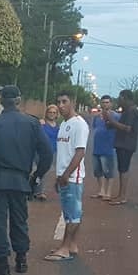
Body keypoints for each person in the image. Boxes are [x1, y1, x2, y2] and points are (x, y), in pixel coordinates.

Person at [0, 85, 54, 275]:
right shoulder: (32, 124)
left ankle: (2, 264)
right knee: (19, 220)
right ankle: (21, 260)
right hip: (21, 181)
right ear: (19, 101)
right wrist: (36, 176)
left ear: (0, 101)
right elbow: (47, 153)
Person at [45, 90, 90, 262]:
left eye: (64, 101)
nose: (61, 106)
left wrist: (65, 175)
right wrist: (59, 176)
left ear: (73, 101)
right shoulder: (63, 124)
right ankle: (72, 245)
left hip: (72, 178)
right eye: (59, 102)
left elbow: (80, 153)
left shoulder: (79, 125)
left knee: (73, 214)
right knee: (69, 212)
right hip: (63, 175)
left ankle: (64, 248)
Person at [107, 89, 138, 205]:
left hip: (127, 144)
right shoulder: (127, 111)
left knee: (124, 170)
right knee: (122, 169)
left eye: (120, 99)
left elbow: (127, 128)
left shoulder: (131, 111)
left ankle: (123, 196)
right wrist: (110, 124)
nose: (119, 101)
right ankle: (121, 195)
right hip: (122, 144)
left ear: (125, 98)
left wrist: (112, 121)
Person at [90, 95, 120, 200]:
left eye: (107, 102)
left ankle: (108, 192)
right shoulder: (97, 117)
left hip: (108, 149)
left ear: (111, 103)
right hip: (97, 148)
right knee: (97, 171)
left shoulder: (116, 116)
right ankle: (101, 190)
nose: (105, 104)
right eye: (103, 102)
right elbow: (95, 128)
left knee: (108, 171)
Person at [34, 104, 59, 201]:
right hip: (40, 152)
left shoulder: (58, 127)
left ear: (57, 114)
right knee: (39, 170)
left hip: (52, 152)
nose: (52, 114)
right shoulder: (42, 124)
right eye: (50, 112)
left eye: (54, 112)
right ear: (46, 113)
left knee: (45, 172)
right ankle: (38, 191)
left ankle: (38, 189)